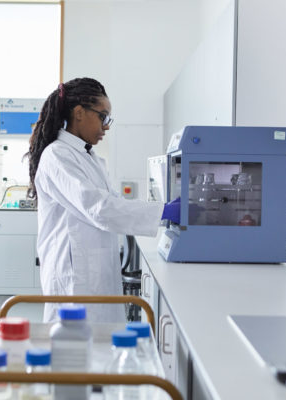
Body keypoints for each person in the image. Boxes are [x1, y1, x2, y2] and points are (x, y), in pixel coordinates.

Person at [26, 77, 179, 323]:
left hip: (93, 271)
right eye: (102, 116)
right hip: (73, 277)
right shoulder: (57, 156)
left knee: (97, 348)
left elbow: (111, 202)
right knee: (73, 350)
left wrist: (160, 212)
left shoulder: (89, 157)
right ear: (79, 113)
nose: (106, 126)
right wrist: (163, 212)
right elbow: (99, 208)